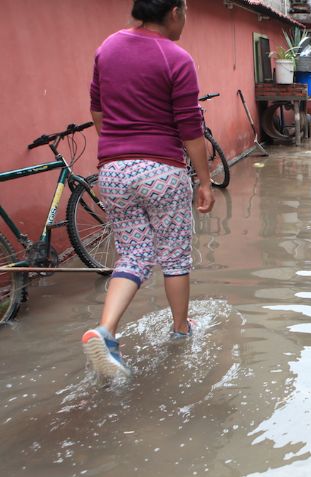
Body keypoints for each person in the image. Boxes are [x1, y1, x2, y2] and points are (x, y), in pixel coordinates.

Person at [81, 0, 214, 379]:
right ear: (174, 11)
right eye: (185, 11)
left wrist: (121, 151)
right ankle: (180, 329)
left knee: (132, 255)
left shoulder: (107, 48)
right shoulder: (176, 57)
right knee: (174, 256)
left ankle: (105, 330)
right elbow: (189, 126)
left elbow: (97, 111)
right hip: (162, 171)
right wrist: (204, 181)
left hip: (113, 172)